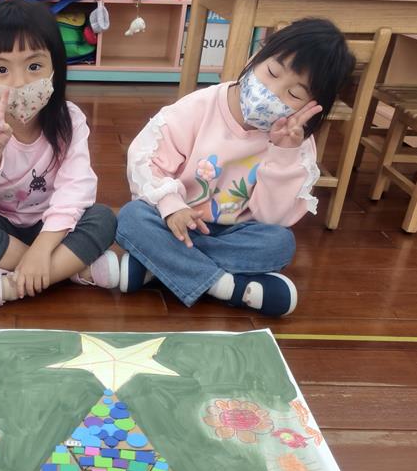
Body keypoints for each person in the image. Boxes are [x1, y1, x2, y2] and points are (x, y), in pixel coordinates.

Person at [115, 18, 356, 317]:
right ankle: (228, 288)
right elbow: (146, 159)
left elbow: (273, 218)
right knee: (131, 218)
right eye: (271, 72)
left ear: (313, 107)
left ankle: (159, 265)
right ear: (256, 57)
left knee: (280, 243)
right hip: (176, 222)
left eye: (294, 95)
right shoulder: (199, 106)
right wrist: (172, 207)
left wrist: (283, 154)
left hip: (235, 233)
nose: (272, 91)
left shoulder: (296, 144)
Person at [0, 0, 118, 312]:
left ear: (55, 68)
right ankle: (69, 270)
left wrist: (42, 249)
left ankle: (10, 286)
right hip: (4, 228)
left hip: (53, 227)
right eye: (1, 69)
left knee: (103, 218)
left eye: (34, 66)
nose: (19, 82)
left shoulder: (71, 120)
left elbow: (76, 190)